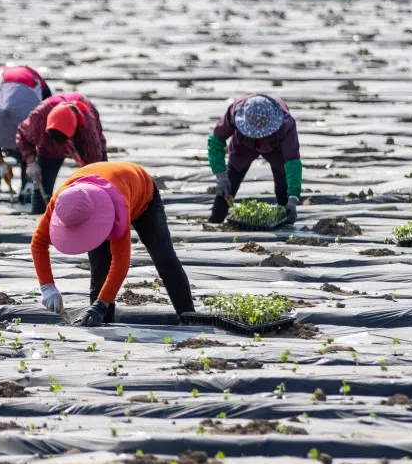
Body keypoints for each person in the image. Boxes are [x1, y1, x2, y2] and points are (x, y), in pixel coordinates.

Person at [31, 161, 195, 327]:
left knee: (164, 257)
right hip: (98, 191)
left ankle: (188, 316)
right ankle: (101, 325)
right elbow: (38, 242)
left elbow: (121, 261)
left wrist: (101, 304)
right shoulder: (62, 203)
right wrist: (47, 286)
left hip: (143, 195)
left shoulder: (118, 210)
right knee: (99, 268)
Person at [207, 94, 302, 224]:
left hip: (276, 148)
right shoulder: (235, 112)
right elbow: (216, 140)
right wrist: (220, 175)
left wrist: (293, 198)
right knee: (228, 185)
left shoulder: (286, 124)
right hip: (243, 145)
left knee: (283, 186)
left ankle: (286, 222)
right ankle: (215, 220)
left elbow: (292, 161)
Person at [16, 92, 107, 214]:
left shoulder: (87, 126)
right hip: (48, 148)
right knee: (42, 187)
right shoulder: (40, 115)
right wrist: (30, 161)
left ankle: (102, 212)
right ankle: (39, 218)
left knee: (101, 180)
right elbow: (22, 134)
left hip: (82, 138)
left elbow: (93, 162)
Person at [0, 66, 51, 203]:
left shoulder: (36, 114)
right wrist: (0, 163)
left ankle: (30, 193)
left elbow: (36, 141)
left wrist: (31, 163)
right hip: (1, 82)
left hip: (31, 84)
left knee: (37, 148)